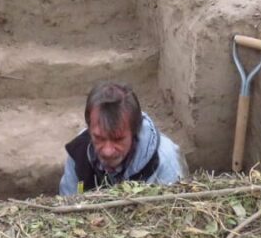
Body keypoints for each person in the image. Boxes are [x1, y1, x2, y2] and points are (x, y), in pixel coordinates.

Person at [59, 82, 188, 195]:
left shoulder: (164, 162)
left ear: (135, 131)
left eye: (118, 139)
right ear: (89, 128)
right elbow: (68, 204)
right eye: (99, 138)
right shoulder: (79, 152)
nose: (107, 151)